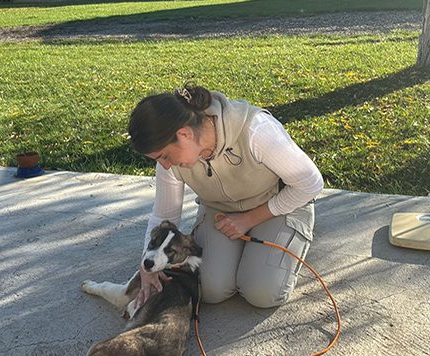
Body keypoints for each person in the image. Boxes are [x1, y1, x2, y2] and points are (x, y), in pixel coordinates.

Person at [128, 83, 323, 309]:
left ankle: (292, 234)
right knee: (210, 289)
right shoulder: (170, 163)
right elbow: (163, 216)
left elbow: (311, 183)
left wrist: (248, 220)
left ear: (184, 134)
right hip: (219, 211)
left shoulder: (256, 130)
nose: (164, 165)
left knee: (262, 292)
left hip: (275, 204)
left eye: (164, 156)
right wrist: (146, 266)